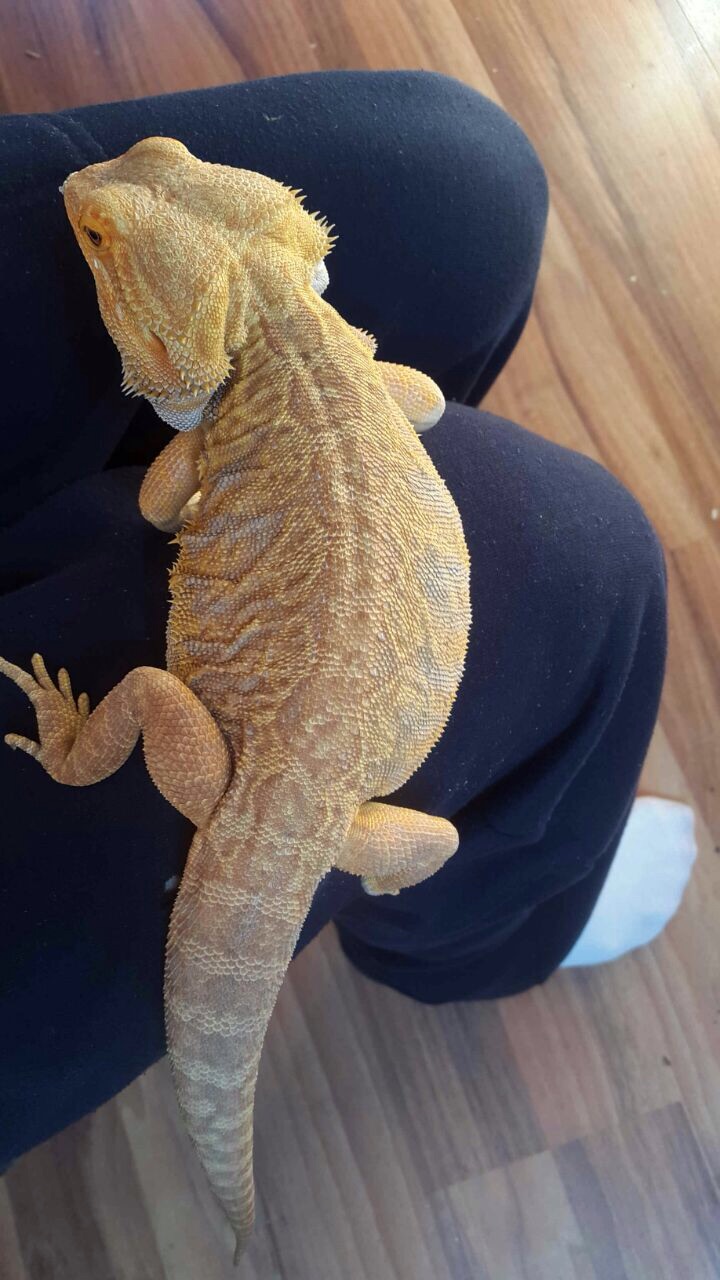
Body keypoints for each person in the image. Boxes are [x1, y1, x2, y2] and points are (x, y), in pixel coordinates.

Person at [0, 69, 695, 1170]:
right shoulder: (349, 360)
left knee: (477, 180)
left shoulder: (215, 387)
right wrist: (352, 401)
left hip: (229, 779)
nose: (89, 198)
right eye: (100, 236)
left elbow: (160, 507)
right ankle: (459, 921)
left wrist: (221, 445)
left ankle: (76, 753)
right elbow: (421, 399)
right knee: (599, 559)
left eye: (105, 232)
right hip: (333, 820)